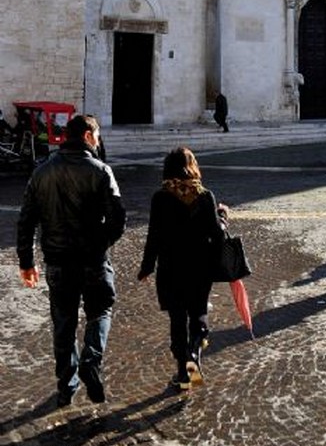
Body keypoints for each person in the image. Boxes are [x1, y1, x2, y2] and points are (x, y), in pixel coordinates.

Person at [16, 114, 125, 407]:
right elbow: (118, 219)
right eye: (98, 136)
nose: (100, 141)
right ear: (89, 136)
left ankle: (66, 384)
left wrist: (26, 262)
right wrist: (99, 244)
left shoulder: (41, 172)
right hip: (93, 261)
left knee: (63, 322)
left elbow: (26, 221)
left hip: (57, 261)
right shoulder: (102, 171)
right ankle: (91, 360)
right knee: (100, 311)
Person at [138, 147, 226, 390]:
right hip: (200, 267)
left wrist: (146, 267)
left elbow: (153, 236)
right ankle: (194, 355)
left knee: (177, 319)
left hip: (170, 267)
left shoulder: (160, 197)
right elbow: (217, 234)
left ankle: (183, 374)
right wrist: (223, 217)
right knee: (198, 312)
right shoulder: (205, 195)